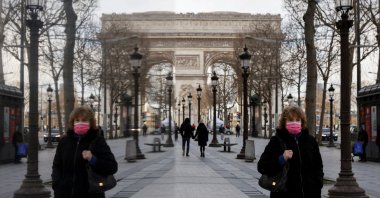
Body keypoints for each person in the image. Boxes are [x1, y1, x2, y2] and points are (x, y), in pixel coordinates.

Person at [257, 106, 324, 198]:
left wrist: (318, 184)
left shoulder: (310, 141)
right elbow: (262, 167)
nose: (294, 123)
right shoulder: (276, 141)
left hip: (311, 193)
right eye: (290, 120)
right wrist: (282, 159)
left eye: (297, 120)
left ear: (302, 122)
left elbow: (318, 166)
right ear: (284, 122)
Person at [52, 106, 118, 198]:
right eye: (77, 120)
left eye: (84, 120)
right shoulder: (64, 141)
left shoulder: (97, 141)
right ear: (73, 122)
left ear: (91, 123)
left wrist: (93, 159)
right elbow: (57, 165)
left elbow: (112, 167)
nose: (80, 123)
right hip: (64, 194)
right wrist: (57, 184)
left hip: (90, 194)